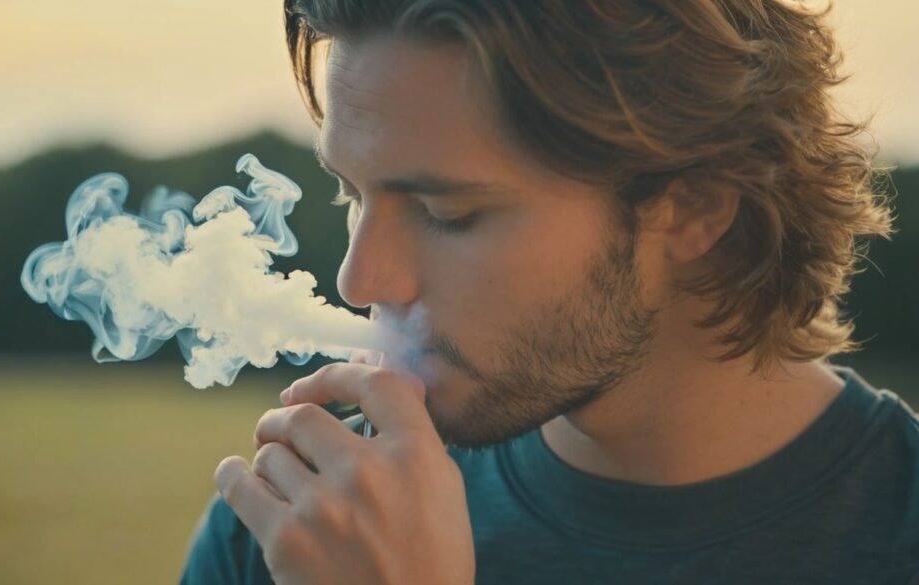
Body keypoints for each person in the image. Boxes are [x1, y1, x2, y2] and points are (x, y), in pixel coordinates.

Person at [181, 1, 919, 583]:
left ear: (695, 207)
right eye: (352, 194)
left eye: (449, 214)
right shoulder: (305, 531)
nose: (361, 280)